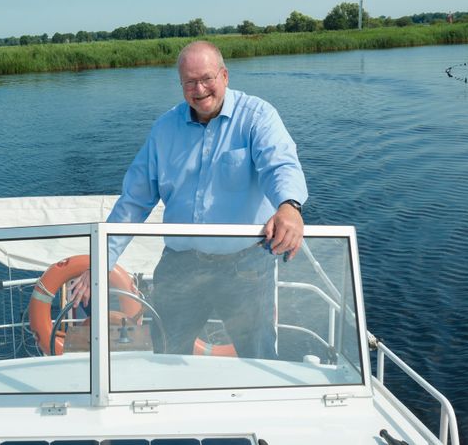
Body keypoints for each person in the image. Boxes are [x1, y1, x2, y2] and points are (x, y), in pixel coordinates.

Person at [71, 40, 307, 360]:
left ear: (224, 75)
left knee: (259, 354)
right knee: (167, 351)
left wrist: (289, 207)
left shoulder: (258, 118)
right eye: (189, 82)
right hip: (181, 263)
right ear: (180, 84)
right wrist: (101, 260)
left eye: (207, 78)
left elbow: (281, 165)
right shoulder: (164, 129)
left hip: (246, 265)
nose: (200, 89)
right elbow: (134, 202)